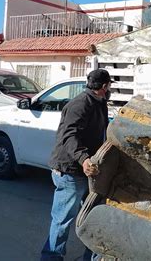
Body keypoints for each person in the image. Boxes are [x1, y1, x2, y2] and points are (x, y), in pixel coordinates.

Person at [41, 69, 112, 261]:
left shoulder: (99, 103)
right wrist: (84, 159)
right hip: (70, 171)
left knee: (92, 217)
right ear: (104, 86)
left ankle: (92, 257)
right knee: (63, 220)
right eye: (109, 85)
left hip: (86, 171)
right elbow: (69, 136)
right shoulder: (80, 104)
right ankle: (51, 257)